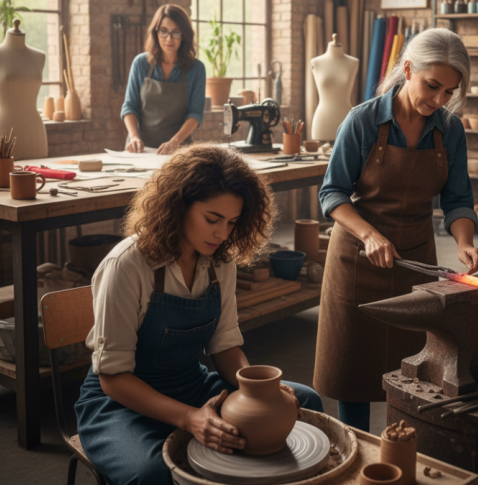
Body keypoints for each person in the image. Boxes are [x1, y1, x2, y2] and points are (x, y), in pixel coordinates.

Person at [75, 145, 323, 484]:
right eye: (212, 219)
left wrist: (260, 390)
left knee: (304, 401)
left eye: (232, 222)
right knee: (154, 474)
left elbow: (224, 347)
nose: (223, 234)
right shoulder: (127, 265)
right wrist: (190, 418)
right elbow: (113, 379)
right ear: (178, 205)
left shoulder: (220, 261)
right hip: (119, 402)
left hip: (190, 384)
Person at [313, 28, 478, 432]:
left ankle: (398, 453)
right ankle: (356, 449)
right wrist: (370, 235)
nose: (439, 100)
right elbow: (332, 193)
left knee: (414, 375)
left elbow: (458, 200)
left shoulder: (450, 130)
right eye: (432, 86)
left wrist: (465, 241)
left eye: (449, 92)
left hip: (415, 261)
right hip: (358, 258)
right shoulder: (363, 121)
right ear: (408, 69)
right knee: (352, 374)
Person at [121, 4, 205, 154]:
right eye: (163, 31)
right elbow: (129, 106)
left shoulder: (196, 69)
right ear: (156, 32)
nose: (169, 38)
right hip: (140, 151)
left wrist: (174, 142)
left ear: (184, 35)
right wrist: (134, 137)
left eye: (176, 33)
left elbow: (195, 114)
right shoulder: (140, 63)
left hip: (179, 151)